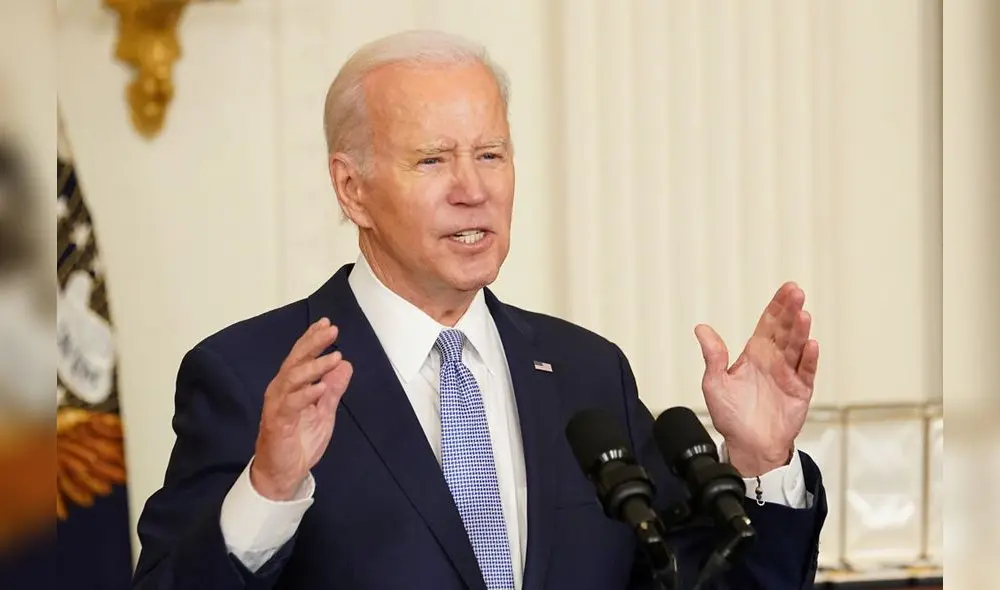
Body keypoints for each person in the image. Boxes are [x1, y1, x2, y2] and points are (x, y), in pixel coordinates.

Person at [132, 30, 826, 590]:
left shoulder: (587, 375)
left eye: (491, 154)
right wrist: (269, 490)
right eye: (433, 161)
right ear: (352, 189)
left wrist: (763, 461)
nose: (473, 189)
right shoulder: (253, 377)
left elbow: (696, 577)